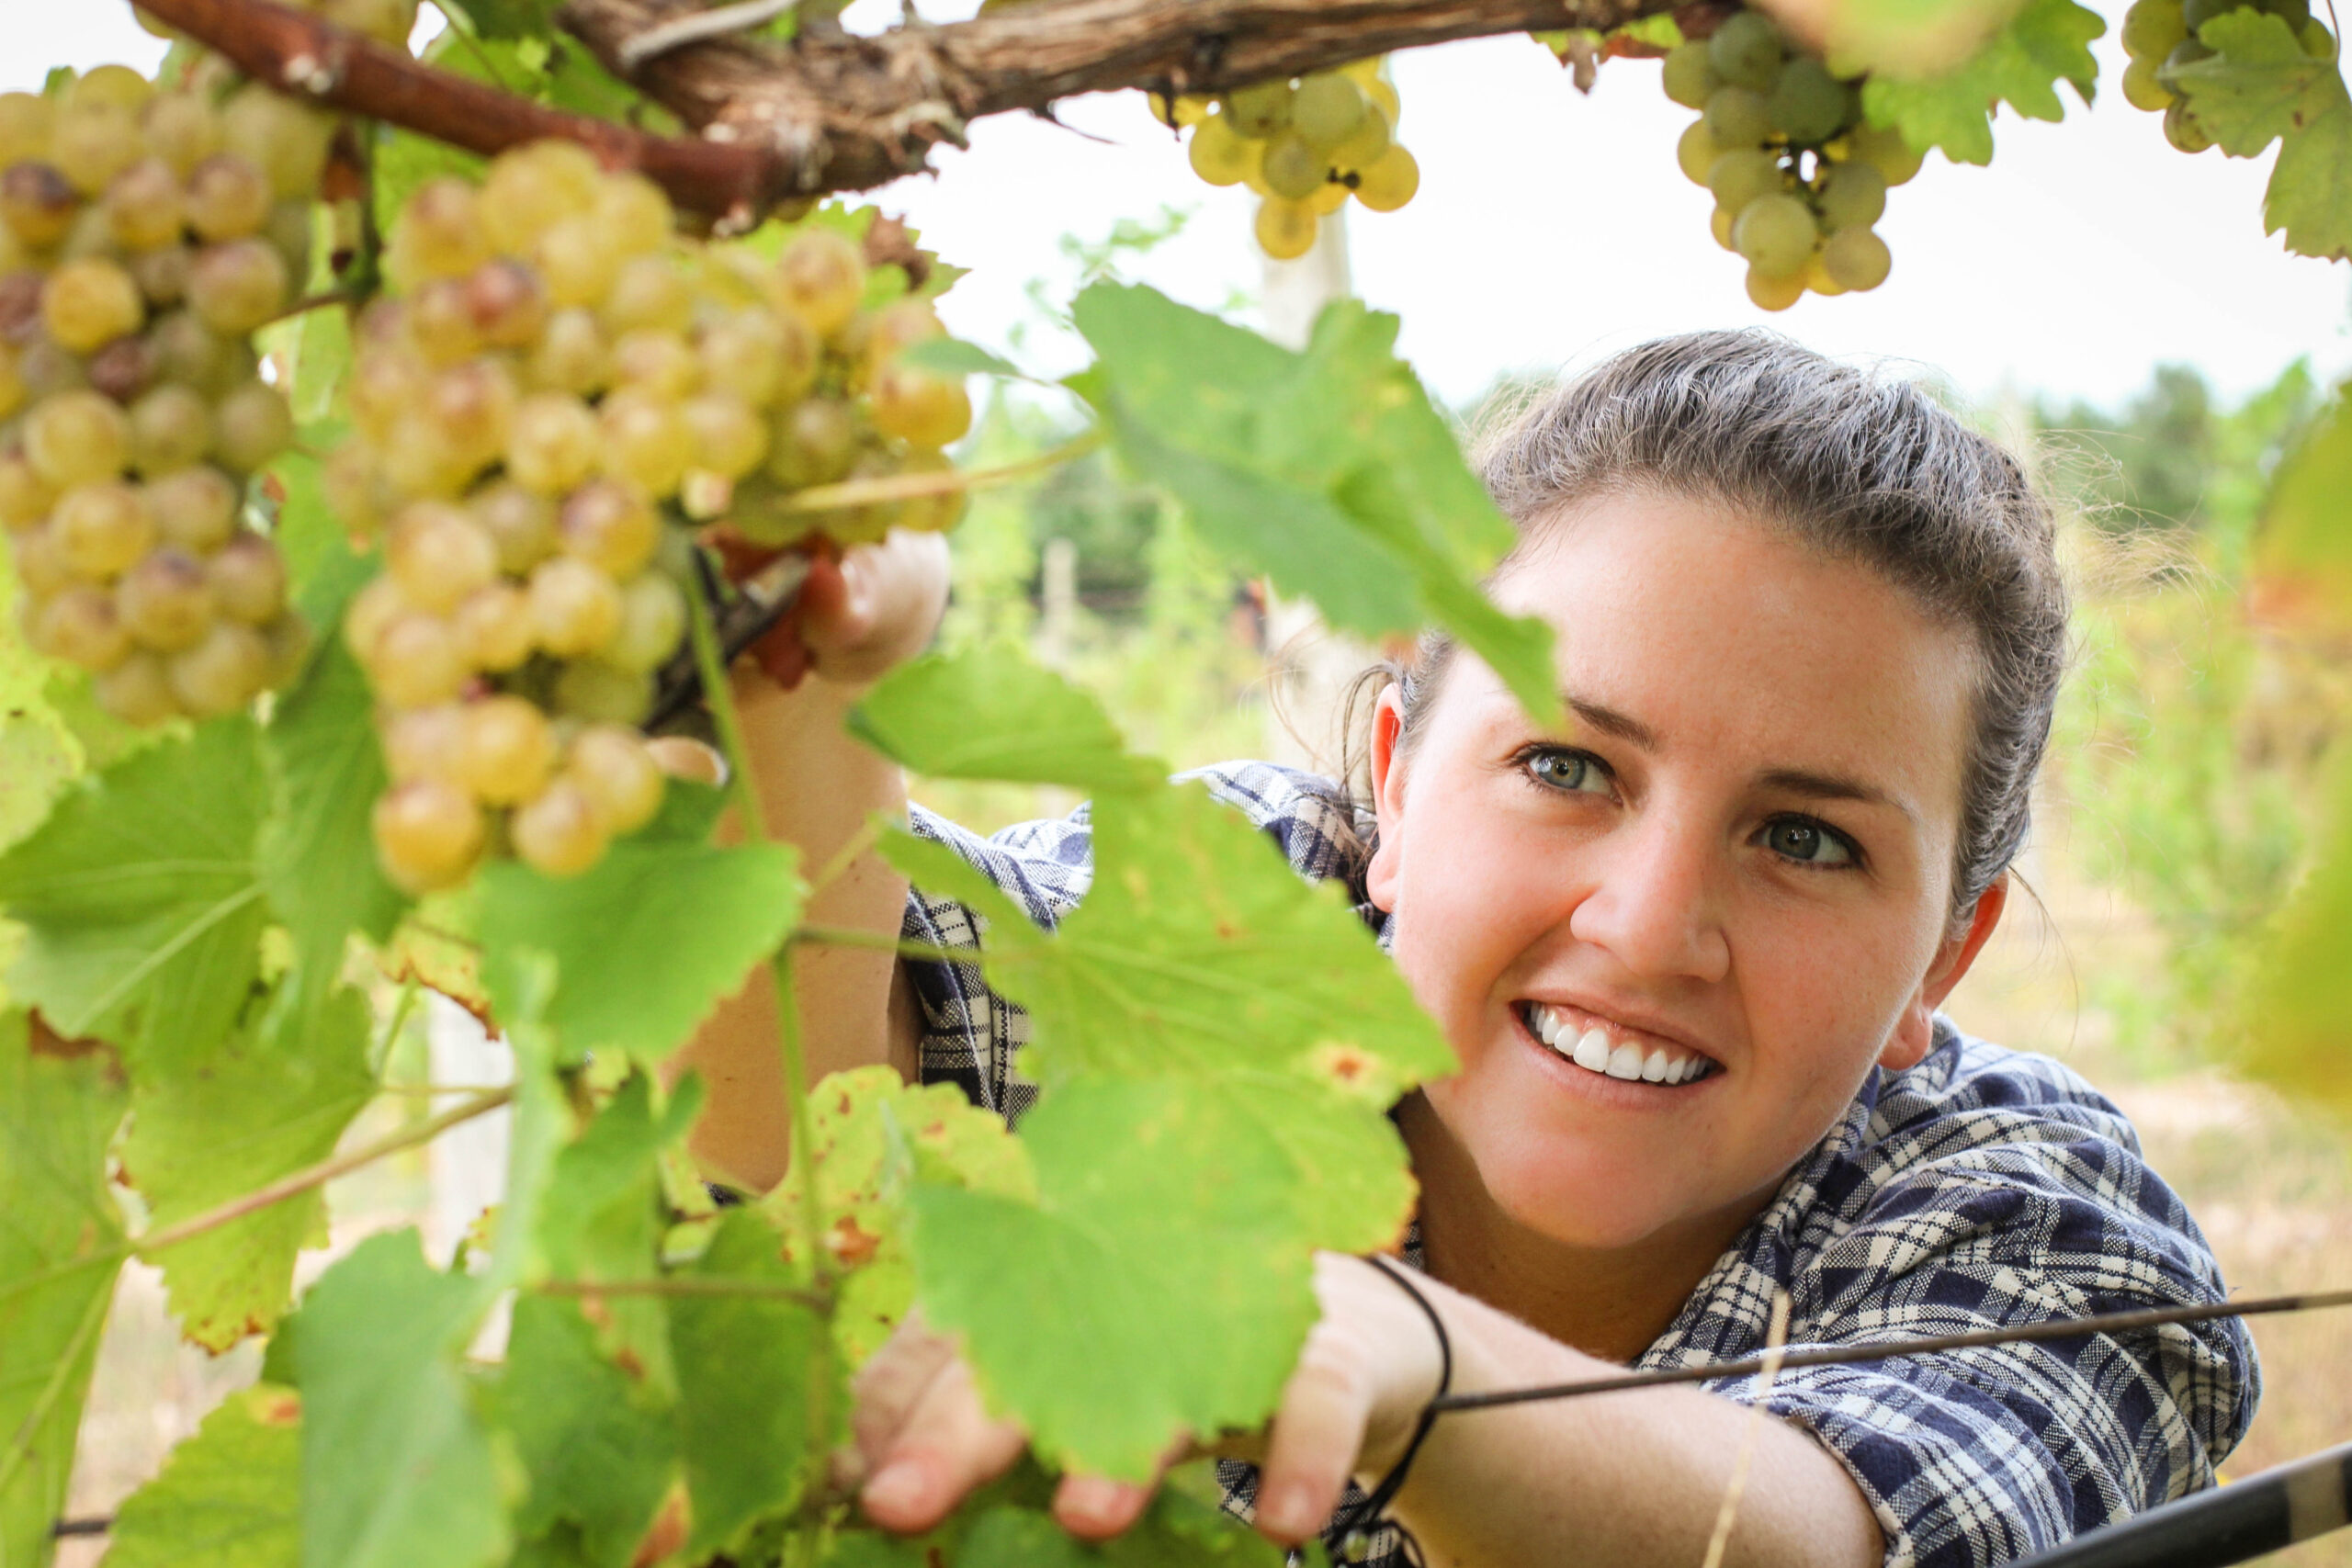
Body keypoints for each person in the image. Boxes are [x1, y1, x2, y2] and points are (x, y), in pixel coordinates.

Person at [671, 332, 2258, 1568]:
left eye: (1809, 840)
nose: (1646, 928)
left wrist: (1409, 1364)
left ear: (1947, 955)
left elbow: (1828, 1540)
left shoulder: (2035, 1225)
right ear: (1393, 780)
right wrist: (811, 658)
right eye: (1567, 767)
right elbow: (801, 1097)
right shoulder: (1221, 921)